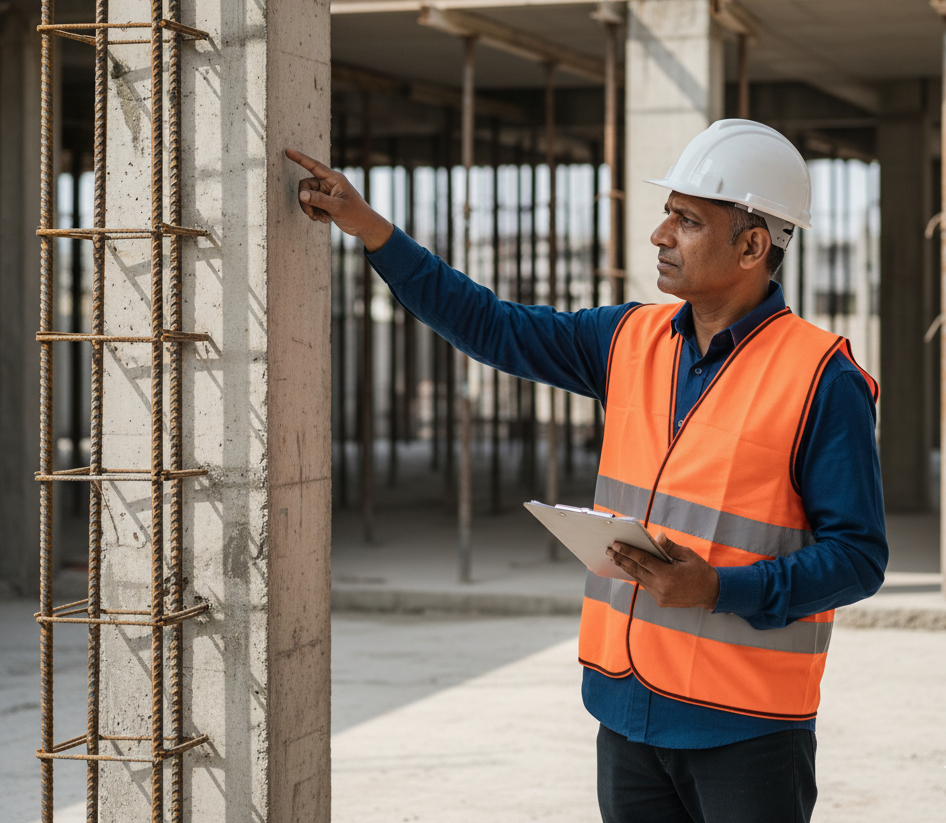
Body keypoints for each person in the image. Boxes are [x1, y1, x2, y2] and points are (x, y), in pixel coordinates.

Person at [286, 118, 887, 823]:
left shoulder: (821, 377)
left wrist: (720, 588)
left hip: (746, 726)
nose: (660, 235)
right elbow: (492, 326)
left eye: (688, 221)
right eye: (668, 214)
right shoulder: (628, 339)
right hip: (625, 710)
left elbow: (858, 557)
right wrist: (372, 231)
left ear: (753, 246)